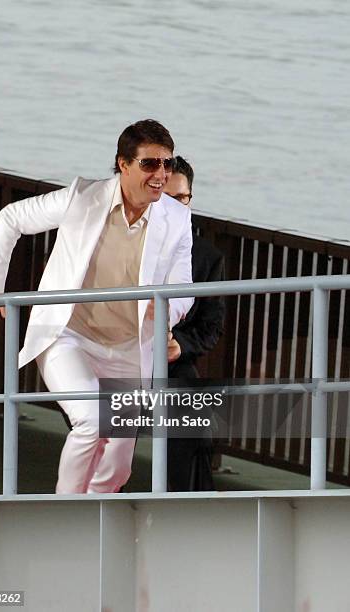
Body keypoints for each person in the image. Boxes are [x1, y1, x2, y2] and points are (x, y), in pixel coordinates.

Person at [0, 119, 193, 494]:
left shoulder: (178, 217)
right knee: (91, 420)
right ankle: (66, 510)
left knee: (119, 462)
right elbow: (11, 218)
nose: (161, 174)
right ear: (123, 164)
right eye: (150, 164)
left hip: (128, 349)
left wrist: (167, 314)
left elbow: (183, 285)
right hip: (68, 337)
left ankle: (94, 512)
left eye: (167, 164)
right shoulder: (81, 197)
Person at [164, 156, 225, 491]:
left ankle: (183, 503)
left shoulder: (207, 256)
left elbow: (211, 329)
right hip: (119, 355)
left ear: (190, 199)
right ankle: (102, 500)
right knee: (87, 412)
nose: (174, 206)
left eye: (182, 199)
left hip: (172, 362)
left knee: (195, 420)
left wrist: (180, 346)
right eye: (166, 199)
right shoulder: (127, 243)